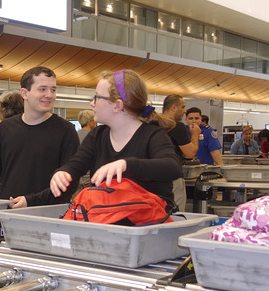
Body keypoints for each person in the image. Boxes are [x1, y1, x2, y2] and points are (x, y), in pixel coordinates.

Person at [50, 69, 182, 211]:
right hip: (109, 221)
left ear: (117, 106)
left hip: (149, 224)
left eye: (97, 97)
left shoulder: (153, 135)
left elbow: (172, 167)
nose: (91, 103)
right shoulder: (97, 135)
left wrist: (126, 164)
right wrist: (64, 172)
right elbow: (77, 163)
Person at [0, 66, 79, 208]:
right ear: (24, 93)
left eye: (53, 89)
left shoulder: (66, 131)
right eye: (42, 89)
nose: (49, 95)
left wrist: (30, 200)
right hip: (9, 211)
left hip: (47, 214)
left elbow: (70, 183)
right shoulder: (6, 128)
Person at [161, 94, 199, 211]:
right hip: (173, 177)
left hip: (156, 177)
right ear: (173, 107)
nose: (184, 111)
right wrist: (195, 135)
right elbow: (190, 153)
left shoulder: (154, 124)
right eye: (182, 107)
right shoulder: (176, 126)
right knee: (176, 213)